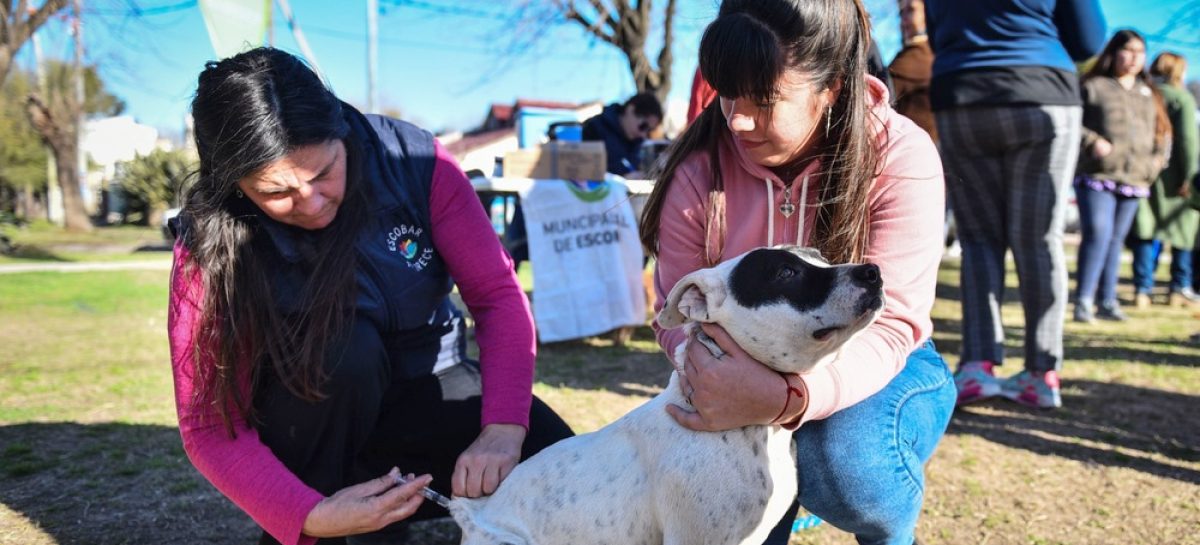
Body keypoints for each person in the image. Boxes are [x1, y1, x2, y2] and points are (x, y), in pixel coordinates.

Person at [167, 47, 573, 545]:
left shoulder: (413, 161)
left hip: (428, 378)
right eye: (276, 192)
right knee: (345, 352)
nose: (311, 203)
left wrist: (504, 428)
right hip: (314, 416)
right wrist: (307, 514)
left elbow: (496, 296)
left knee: (561, 463)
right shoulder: (210, 240)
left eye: (323, 173)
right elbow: (209, 426)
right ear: (234, 186)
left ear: (341, 131)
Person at [638, 2, 956, 544]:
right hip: (734, 361)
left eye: (763, 100)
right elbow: (675, 309)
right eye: (726, 92)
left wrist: (784, 400)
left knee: (847, 466)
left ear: (831, 86)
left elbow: (894, 321)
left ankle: (891, 534)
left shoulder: (899, 152)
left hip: (883, 356)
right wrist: (715, 376)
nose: (736, 118)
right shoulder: (695, 170)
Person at [925, 0, 1106, 409]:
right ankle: (1042, 371)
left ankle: (977, 365)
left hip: (962, 94)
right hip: (1041, 91)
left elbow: (938, 36)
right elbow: (1088, 41)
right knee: (1039, 239)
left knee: (978, 239)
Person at [1073, 29, 1171, 324]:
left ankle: (1108, 300)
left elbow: (1163, 134)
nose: (1133, 58)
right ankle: (1084, 301)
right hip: (1098, 174)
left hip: (1136, 179)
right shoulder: (1093, 86)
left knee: (1116, 240)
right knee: (1098, 234)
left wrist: (1154, 165)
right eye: (1127, 50)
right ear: (1113, 53)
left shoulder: (1149, 93)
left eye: (1140, 52)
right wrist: (1092, 142)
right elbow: (1071, 122)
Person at [1130, 52, 1199, 308]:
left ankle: (1142, 288)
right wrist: (1189, 176)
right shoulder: (1181, 98)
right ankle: (1179, 288)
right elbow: (1188, 140)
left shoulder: (1141, 93)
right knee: (1182, 233)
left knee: (1146, 231)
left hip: (1143, 173)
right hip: (1175, 178)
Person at [581, 92, 663, 177]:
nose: (643, 134)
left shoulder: (639, 142)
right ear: (630, 109)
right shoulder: (594, 127)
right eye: (643, 126)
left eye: (649, 130)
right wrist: (622, 179)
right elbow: (585, 173)